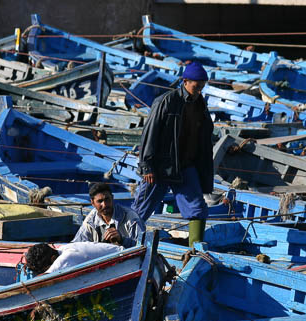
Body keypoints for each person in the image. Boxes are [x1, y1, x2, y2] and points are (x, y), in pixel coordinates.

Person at [131, 61, 214, 247]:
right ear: (185, 81)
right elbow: (150, 134)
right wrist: (147, 166)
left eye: (202, 83)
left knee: (198, 209)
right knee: (140, 210)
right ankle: (125, 243)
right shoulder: (166, 101)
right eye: (196, 83)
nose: (200, 87)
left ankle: (195, 250)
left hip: (185, 166)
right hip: (160, 167)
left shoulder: (200, 105)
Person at [72, 182, 145, 247]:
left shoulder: (130, 216)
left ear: (112, 198)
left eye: (107, 199)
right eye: (100, 201)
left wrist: (122, 240)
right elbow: (76, 244)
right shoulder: (91, 219)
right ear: (92, 203)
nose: (104, 204)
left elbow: (144, 246)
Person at [25, 242, 123, 275]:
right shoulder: (63, 249)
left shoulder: (65, 258)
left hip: (125, 259)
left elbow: (43, 279)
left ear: (53, 259)